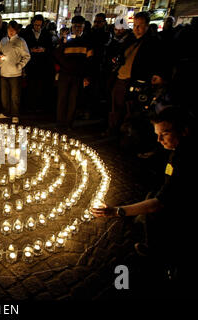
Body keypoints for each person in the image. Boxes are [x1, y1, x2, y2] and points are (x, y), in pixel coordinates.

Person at [91, 107, 196, 297]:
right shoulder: (179, 150)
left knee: (152, 208)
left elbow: (160, 203)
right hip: (175, 199)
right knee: (149, 197)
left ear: (185, 130)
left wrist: (116, 211)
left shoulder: (185, 159)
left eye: (164, 133)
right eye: (157, 134)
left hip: (185, 211)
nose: (159, 140)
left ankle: (158, 254)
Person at [108, 12, 166, 136]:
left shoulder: (153, 42)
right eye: (134, 25)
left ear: (147, 26)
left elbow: (159, 62)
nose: (136, 29)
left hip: (136, 81)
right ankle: (113, 131)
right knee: (116, 108)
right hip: (120, 79)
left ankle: (125, 136)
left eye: (140, 26)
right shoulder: (130, 40)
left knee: (131, 111)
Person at [53, 15, 93, 129]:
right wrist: (62, 42)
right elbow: (56, 55)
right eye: (75, 26)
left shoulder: (87, 42)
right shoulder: (66, 41)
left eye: (80, 27)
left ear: (83, 27)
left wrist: (87, 76)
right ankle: (60, 123)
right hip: (65, 74)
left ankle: (69, 123)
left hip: (78, 76)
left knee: (73, 100)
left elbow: (89, 61)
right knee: (62, 99)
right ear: (72, 26)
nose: (78, 29)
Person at [0, 20, 31, 124]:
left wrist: (20, 65)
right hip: (3, 72)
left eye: (13, 30)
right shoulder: (3, 40)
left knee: (15, 96)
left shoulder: (21, 41)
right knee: (4, 96)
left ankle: (15, 114)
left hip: (15, 74)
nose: (11, 31)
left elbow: (27, 56)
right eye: (9, 29)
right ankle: (6, 112)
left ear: (16, 31)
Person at [20, 14, 55, 112]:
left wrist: (44, 49)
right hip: (31, 63)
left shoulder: (46, 34)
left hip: (42, 64)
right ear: (32, 24)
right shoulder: (26, 33)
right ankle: (30, 105)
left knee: (40, 85)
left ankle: (39, 105)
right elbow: (22, 47)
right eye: (36, 25)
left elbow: (50, 48)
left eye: (39, 25)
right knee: (30, 85)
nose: (37, 27)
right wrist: (30, 50)